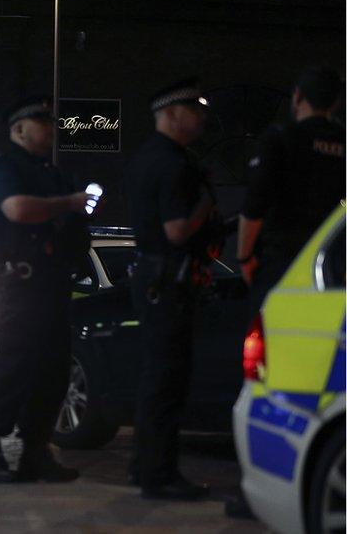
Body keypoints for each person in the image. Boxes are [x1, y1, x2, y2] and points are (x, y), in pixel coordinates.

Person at [0, 95, 91, 484]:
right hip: (17, 282)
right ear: (19, 129)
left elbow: (78, 229)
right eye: (42, 121)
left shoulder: (54, 174)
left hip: (52, 283)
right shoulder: (5, 168)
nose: (51, 128)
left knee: (53, 371)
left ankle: (36, 451)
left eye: (52, 121)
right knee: (15, 365)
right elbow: (18, 210)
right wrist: (69, 204)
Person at [125, 78, 216, 500]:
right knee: (167, 381)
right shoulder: (175, 164)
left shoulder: (148, 156)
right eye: (194, 110)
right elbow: (177, 230)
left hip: (153, 277)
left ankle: (144, 466)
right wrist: (205, 206)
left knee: (154, 378)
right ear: (172, 113)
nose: (200, 118)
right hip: (169, 280)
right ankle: (158, 474)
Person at [238, 66, 345, 313]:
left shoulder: (281, 138)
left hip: (283, 261)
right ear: (336, 102)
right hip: (333, 263)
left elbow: (255, 204)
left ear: (297, 96)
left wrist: (244, 257)